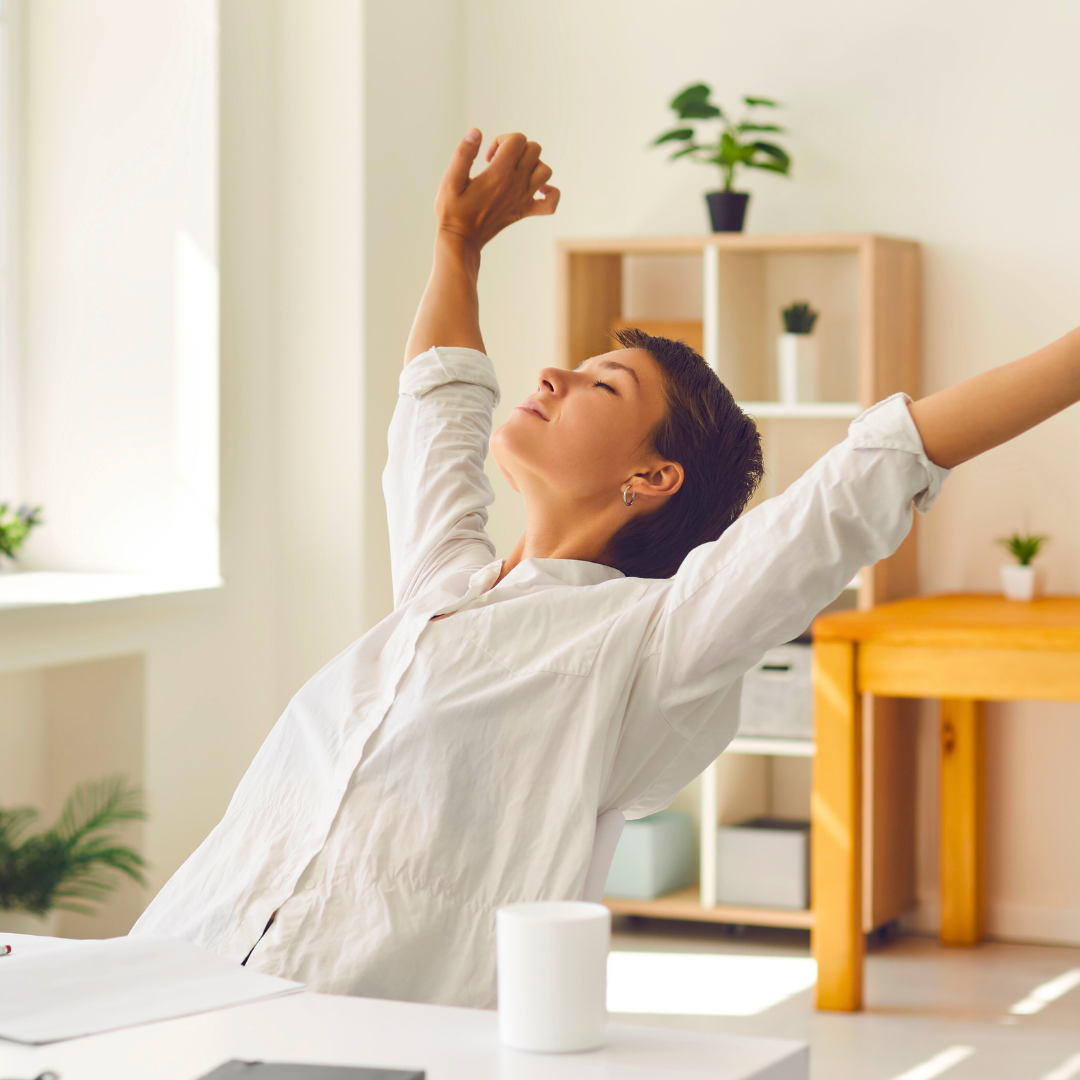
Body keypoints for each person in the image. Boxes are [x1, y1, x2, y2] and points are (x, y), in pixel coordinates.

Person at [132, 129, 1080, 1008]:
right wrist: (457, 247)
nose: (553, 377)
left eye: (602, 385)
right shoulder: (444, 593)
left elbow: (872, 472)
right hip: (166, 976)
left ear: (651, 476)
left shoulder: (649, 645)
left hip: (347, 1039)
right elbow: (439, 409)